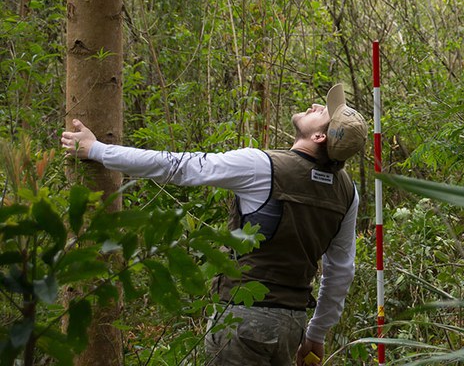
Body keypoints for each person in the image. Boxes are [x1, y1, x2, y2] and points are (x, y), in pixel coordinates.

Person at [61, 84, 368, 366]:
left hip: (244, 319)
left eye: (323, 112)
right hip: (292, 325)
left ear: (319, 137)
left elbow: (178, 166)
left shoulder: (262, 166)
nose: (316, 105)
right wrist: (316, 333)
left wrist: (97, 150)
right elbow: (340, 270)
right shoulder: (346, 193)